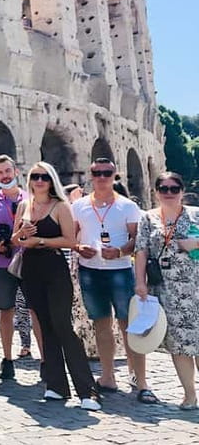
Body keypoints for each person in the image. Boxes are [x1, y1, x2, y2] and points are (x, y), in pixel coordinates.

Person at [11, 162, 101, 411]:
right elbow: (14, 240)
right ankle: (56, 385)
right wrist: (22, 234)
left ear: (51, 181)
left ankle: (87, 390)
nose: (39, 181)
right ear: (29, 180)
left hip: (54, 267)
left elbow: (70, 241)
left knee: (62, 325)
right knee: (44, 324)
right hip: (30, 269)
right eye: (35, 176)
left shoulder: (61, 206)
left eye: (44, 177)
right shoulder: (24, 205)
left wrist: (38, 239)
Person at [71, 158, 149, 400]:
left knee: (129, 326)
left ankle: (139, 380)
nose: (102, 177)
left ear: (115, 176)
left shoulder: (127, 206)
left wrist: (119, 251)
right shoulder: (79, 206)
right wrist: (78, 247)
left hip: (120, 270)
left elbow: (138, 240)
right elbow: (71, 237)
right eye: (97, 172)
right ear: (91, 175)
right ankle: (107, 377)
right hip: (90, 270)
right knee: (101, 325)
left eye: (107, 172)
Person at [134, 172, 199, 410]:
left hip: (195, 286)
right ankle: (189, 394)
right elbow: (141, 251)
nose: (169, 193)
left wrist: (196, 244)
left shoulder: (195, 215)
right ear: (156, 192)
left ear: (182, 191)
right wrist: (139, 282)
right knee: (178, 343)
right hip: (166, 288)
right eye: (164, 188)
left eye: (174, 188)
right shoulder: (149, 218)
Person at [0, 154, 42, 380]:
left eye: (7, 171)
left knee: (36, 310)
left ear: (16, 172)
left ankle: (45, 360)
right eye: (0, 172)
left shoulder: (32, 199)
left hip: (30, 260)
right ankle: (7, 359)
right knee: (5, 310)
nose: (4, 176)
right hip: (3, 262)